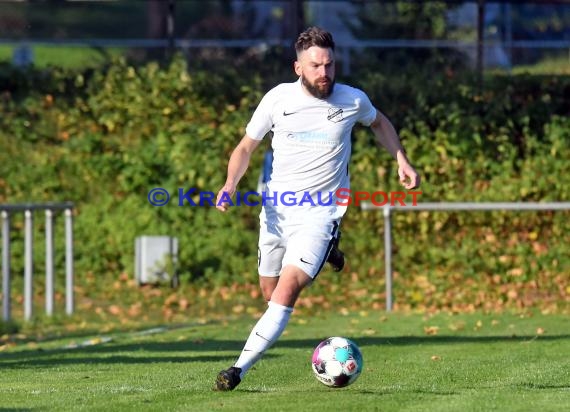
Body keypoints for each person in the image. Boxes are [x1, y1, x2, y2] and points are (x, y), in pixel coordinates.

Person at [214, 26, 420, 391]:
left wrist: (401, 159)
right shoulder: (278, 100)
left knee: (286, 293)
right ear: (298, 67)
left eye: (329, 65)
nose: (324, 73)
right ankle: (330, 252)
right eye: (315, 66)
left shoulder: (351, 100)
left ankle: (237, 370)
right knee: (269, 292)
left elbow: (379, 122)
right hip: (278, 210)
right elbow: (246, 147)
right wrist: (230, 184)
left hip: (321, 212)